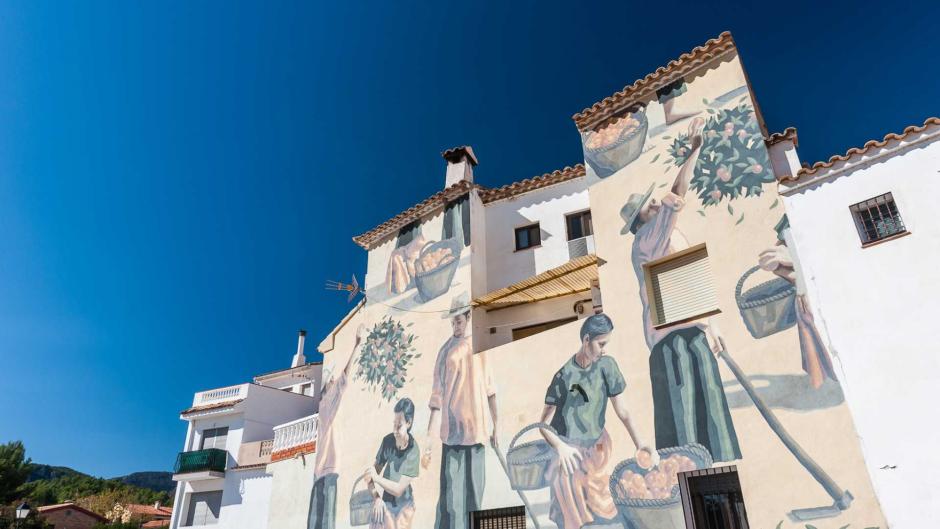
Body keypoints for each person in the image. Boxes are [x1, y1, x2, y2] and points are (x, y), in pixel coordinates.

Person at [620, 117, 742, 463]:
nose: (657, 203)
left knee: (710, 412)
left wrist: (710, 326)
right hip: (671, 339)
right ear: (641, 221)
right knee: (684, 415)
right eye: (650, 205)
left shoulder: (671, 237)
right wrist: (695, 151)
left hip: (691, 327)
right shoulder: (646, 240)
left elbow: (689, 281)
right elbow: (677, 192)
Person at [539, 313, 657, 529]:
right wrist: (561, 447)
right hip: (570, 452)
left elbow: (623, 411)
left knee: (608, 505)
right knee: (570, 502)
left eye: (606, 343)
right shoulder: (563, 376)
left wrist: (640, 444)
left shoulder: (607, 366)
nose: (604, 349)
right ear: (586, 340)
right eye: (601, 343)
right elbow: (543, 425)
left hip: (599, 449)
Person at [424, 292, 498, 529]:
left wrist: (497, 425)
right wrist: (428, 437)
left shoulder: (480, 346)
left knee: (475, 497)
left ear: (468, 317)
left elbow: (490, 390)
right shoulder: (445, 351)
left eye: (459, 320)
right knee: (452, 502)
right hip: (453, 436)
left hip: (477, 434)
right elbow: (436, 397)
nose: (455, 325)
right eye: (453, 321)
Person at [758, 215, 837, 388]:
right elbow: (778, 261)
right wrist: (782, 268)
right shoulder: (790, 222)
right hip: (805, 299)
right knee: (818, 360)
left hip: (827, 297)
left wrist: (794, 264)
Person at [307, 324, 366, 529]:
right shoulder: (327, 403)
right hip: (329, 470)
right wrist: (356, 345)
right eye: (331, 380)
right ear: (327, 387)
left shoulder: (323, 407)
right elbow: (344, 377)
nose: (334, 380)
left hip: (319, 471)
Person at [365, 398, 421, 529]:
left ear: (408, 423)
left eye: (399, 425)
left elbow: (398, 490)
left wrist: (377, 478)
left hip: (405, 505)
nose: (395, 430)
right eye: (394, 424)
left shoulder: (413, 450)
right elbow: (369, 478)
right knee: (378, 520)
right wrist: (377, 498)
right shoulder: (388, 441)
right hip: (387, 502)